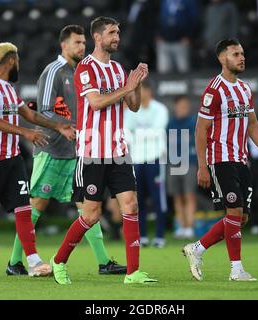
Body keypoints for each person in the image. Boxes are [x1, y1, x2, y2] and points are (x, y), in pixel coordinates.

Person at [6, 25, 126, 276]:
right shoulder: (54, 71)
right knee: (37, 204)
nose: (82, 47)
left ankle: (104, 262)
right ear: (64, 45)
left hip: (76, 151)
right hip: (52, 151)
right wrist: (63, 127)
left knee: (87, 205)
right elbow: (44, 109)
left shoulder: (83, 71)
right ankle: (15, 261)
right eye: (77, 43)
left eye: (84, 43)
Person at [50, 16, 157, 285]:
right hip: (92, 152)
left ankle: (133, 273)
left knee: (130, 205)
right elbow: (96, 103)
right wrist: (127, 87)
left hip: (118, 150)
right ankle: (59, 261)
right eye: (111, 32)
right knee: (91, 215)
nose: (116, 37)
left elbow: (132, 105)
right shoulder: (86, 68)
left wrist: (137, 81)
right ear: (97, 37)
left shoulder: (119, 69)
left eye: (118, 32)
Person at [0, 42, 76, 278]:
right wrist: (26, 133)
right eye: (18, 60)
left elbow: (29, 114)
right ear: (11, 61)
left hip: (13, 159)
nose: (19, 65)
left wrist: (58, 125)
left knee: (24, 209)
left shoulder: (8, 89)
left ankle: (34, 262)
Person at [182, 38, 258, 282]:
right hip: (220, 159)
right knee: (234, 212)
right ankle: (236, 270)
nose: (241, 58)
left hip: (241, 160)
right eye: (235, 54)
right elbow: (200, 130)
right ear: (222, 59)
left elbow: (253, 125)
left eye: (242, 54)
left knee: (240, 218)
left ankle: (197, 248)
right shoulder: (214, 90)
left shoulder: (245, 89)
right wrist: (202, 166)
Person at [124, 81, 169, 248]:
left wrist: (137, 134)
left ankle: (159, 236)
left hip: (155, 158)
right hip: (136, 160)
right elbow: (126, 134)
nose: (141, 94)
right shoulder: (131, 111)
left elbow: (157, 132)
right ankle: (142, 236)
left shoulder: (160, 109)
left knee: (158, 200)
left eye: (144, 91)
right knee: (138, 200)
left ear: (149, 92)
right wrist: (140, 135)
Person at [166, 95, 198, 240]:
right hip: (173, 162)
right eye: (181, 106)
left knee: (189, 195)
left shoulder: (193, 122)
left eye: (186, 106)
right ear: (176, 107)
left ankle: (189, 227)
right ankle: (181, 226)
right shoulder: (171, 123)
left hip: (190, 162)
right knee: (177, 196)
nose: (184, 108)